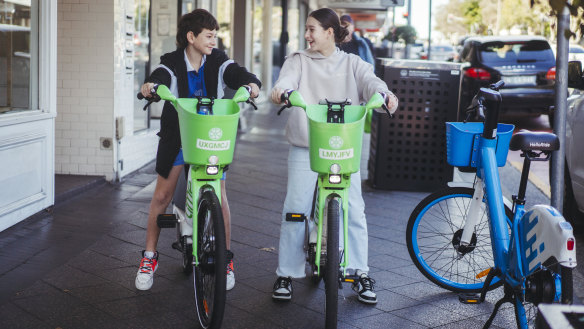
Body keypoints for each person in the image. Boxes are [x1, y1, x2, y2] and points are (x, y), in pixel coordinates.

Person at [270, 8, 398, 304]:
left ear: (330, 32)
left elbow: (372, 83)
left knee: (354, 209)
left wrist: (385, 95)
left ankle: (359, 272)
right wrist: (282, 93)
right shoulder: (298, 60)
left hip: (343, 146)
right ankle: (286, 272)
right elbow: (283, 84)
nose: (306, 35)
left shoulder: (353, 62)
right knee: (295, 209)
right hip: (305, 144)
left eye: (312, 29)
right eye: (306, 29)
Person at [135, 9, 261, 292]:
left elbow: (237, 72)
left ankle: (226, 259)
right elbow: (161, 76)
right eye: (208, 35)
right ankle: (149, 257)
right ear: (191, 37)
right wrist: (152, 86)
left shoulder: (217, 60)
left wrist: (251, 84)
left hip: (211, 137)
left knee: (221, 196)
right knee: (162, 195)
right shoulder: (172, 61)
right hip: (178, 137)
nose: (213, 40)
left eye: (215, 35)